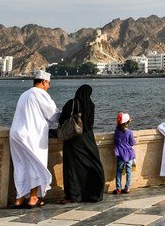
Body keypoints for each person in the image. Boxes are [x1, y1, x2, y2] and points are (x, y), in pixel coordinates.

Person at [9, 70, 60, 209]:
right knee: (35, 165)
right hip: (31, 136)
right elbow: (53, 114)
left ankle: (19, 199)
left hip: (16, 134)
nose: (48, 87)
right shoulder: (40, 93)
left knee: (20, 166)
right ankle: (32, 198)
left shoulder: (24, 94)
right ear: (43, 82)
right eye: (48, 84)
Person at [58, 84, 105, 204]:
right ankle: (92, 193)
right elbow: (90, 123)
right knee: (91, 164)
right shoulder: (91, 105)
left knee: (72, 168)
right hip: (88, 139)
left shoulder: (72, 103)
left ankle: (73, 196)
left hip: (73, 139)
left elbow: (62, 119)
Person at [113, 112, 136, 194]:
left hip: (120, 154)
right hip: (129, 154)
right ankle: (127, 188)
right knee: (129, 171)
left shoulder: (116, 132)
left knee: (119, 170)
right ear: (127, 123)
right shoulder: (129, 132)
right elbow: (132, 143)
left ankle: (118, 188)